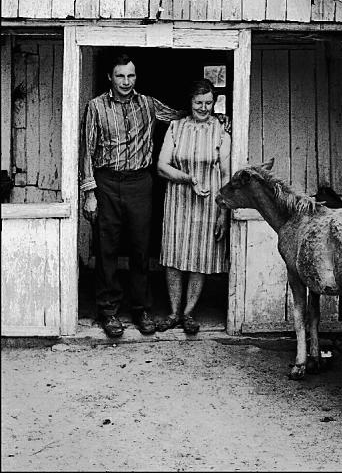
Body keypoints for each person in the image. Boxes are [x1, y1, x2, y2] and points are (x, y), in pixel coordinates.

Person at [79, 54, 229, 339]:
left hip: (139, 182)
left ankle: (141, 309)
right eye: (120, 76)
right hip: (107, 181)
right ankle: (108, 311)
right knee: (107, 248)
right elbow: (87, 150)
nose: (126, 81)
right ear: (110, 77)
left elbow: (179, 114)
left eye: (131, 76)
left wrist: (215, 117)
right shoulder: (96, 107)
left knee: (140, 248)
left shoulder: (148, 104)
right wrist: (89, 192)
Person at [156, 78, 231, 334]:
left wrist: (223, 212)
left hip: (208, 202)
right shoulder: (176, 127)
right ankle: (173, 312)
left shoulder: (221, 131)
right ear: (190, 102)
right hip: (178, 199)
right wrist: (189, 179)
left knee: (200, 257)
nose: (204, 108)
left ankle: (188, 313)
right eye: (199, 102)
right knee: (174, 256)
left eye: (209, 103)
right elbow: (162, 166)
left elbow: (226, 175)